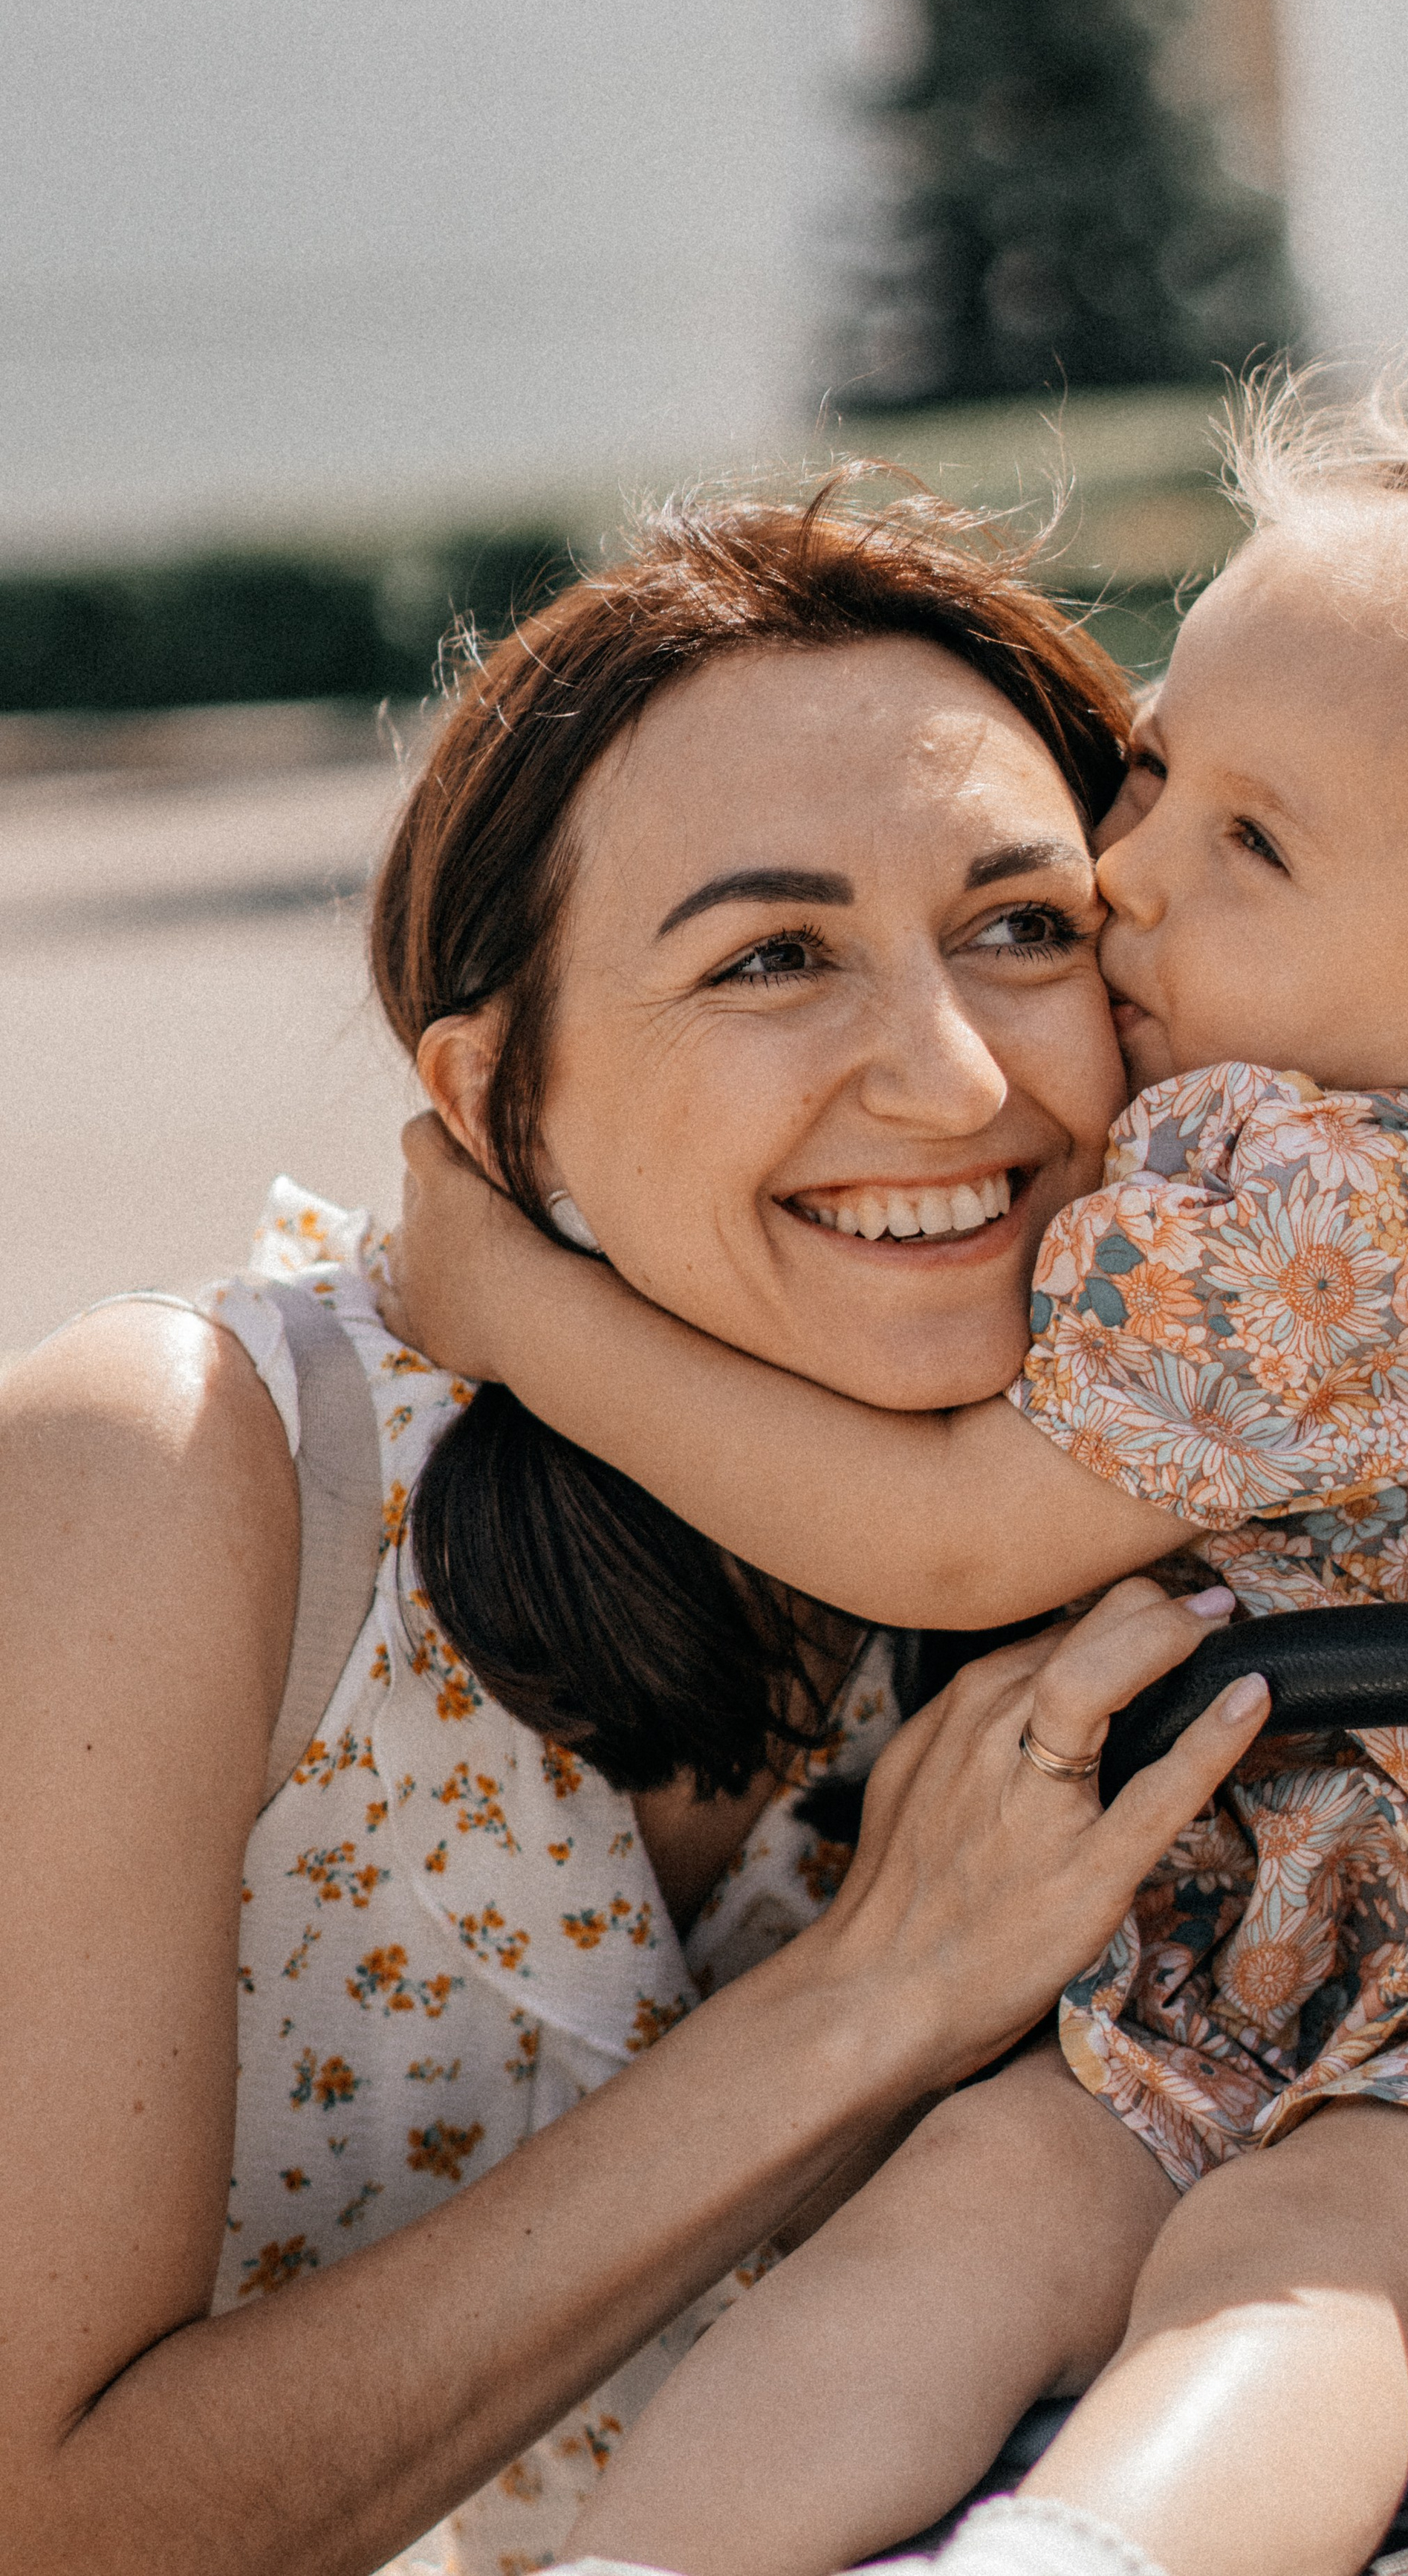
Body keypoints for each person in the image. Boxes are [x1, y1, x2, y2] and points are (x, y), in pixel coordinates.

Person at [388, 398, 1408, 2576]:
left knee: (1269, 2264)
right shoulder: (1280, 1147)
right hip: (1300, 1951)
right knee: (971, 2210)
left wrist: (518, 1309)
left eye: (1254, 845)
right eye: (1161, 770)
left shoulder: (1338, 1196)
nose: (1126, 869)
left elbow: (941, 1532)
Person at [0, 481, 1276, 2576]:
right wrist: (872, 1997)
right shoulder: (185, 1473)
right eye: (775, 957)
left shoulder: (1172, 1501)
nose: (957, 1082)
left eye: (1026, 927)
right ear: (500, 1098)